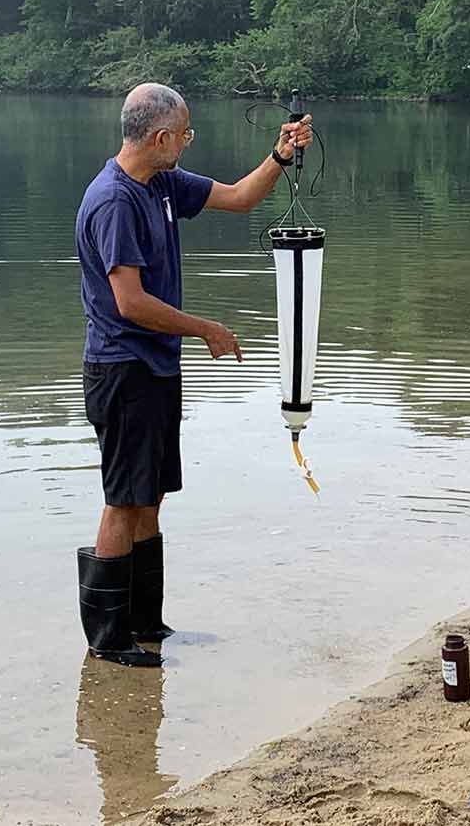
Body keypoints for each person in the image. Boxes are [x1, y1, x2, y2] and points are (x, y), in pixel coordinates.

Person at [75, 83, 313, 666]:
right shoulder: (114, 200)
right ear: (160, 138)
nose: (188, 141)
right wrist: (204, 327)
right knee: (123, 500)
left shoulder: (160, 183)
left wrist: (280, 156)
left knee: (150, 496)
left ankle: (145, 624)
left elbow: (237, 198)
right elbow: (128, 302)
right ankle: (107, 642)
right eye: (185, 133)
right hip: (122, 368)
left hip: (154, 366)